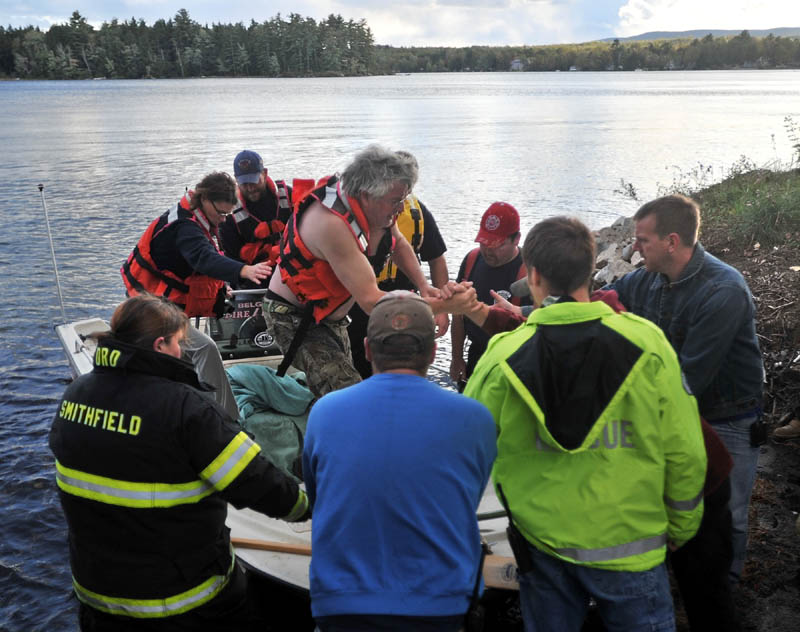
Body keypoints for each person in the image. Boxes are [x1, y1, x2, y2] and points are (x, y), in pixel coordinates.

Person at [465, 216, 706, 631]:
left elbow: (467, 448)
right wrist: (681, 524)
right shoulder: (648, 344)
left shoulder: (504, 357)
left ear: (533, 275)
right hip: (633, 544)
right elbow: (684, 448)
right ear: (590, 270)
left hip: (542, 546)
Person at [50, 294, 310, 631]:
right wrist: (306, 506)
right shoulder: (186, 408)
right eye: (178, 343)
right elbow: (255, 481)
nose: (182, 352)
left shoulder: (76, 395)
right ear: (160, 345)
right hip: (184, 603)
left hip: (99, 598)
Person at [302, 290, 496, 632]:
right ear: (434, 351)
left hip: (341, 604)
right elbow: (468, 495)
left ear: (366, 349)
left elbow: (319, 498)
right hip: (441, 604)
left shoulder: (325, 412)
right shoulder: (475, 418)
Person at [608, 194, 764, 583]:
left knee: (731, 512)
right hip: (679, 407)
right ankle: (677, 574)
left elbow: (689, 378)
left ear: (671, 242)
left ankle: (725, 588)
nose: (634, 248)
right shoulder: (648, 280)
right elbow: (594, 304)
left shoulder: (724, 290)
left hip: (728, 416)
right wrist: (526, 311)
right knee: (670, 499)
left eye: (642, 240)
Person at [265, 144, 477, 399]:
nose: (400, 208)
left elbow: (396, 242)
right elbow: (372, 302)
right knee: (347, 393)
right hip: (293, 317)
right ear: (366, 195)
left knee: (346, 383)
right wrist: (448, 306)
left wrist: (423, 285)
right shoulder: (332, 225)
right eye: (396, 201)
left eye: (403, 200)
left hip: (332, 317)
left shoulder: (379, 209)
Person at [121, 172, 271, 419]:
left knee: (186, 359)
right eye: (221, 214)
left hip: (162, 304)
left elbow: (193, 269)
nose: (223, 221)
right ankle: (224, 421)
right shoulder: (185, 227)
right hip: (149, 308)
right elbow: (203, 258)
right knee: (205, 349)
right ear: (205, 199)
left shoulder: (196, 217)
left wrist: (222, 289)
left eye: (227, 214)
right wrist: (244, 269)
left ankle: (196, 408)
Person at [347, 152, 450, 378]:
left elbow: (436, 257)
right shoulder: (363, 213)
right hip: (360, 300)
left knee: (405, 363)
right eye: (396, 198)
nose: (399, 206)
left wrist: (441, 306)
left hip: (403, 295)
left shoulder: (416, 212)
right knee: (358, 363)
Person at [450, 201, 530, 389]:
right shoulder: (471, 260)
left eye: (496, 245)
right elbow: (459, 315)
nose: (488, 250)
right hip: (476, 356)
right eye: (484, 242)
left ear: (516, 239)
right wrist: (456, 357)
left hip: (512, 364)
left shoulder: (530, 272)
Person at [219, 150, 292, 286]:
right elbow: (232, 261)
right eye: (244, 184)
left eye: (254, 181)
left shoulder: (289, 197)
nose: (250, 188)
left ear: (264, 173)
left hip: (293, 271)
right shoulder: (228, 215)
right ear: (236, 179)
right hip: (255, 281)